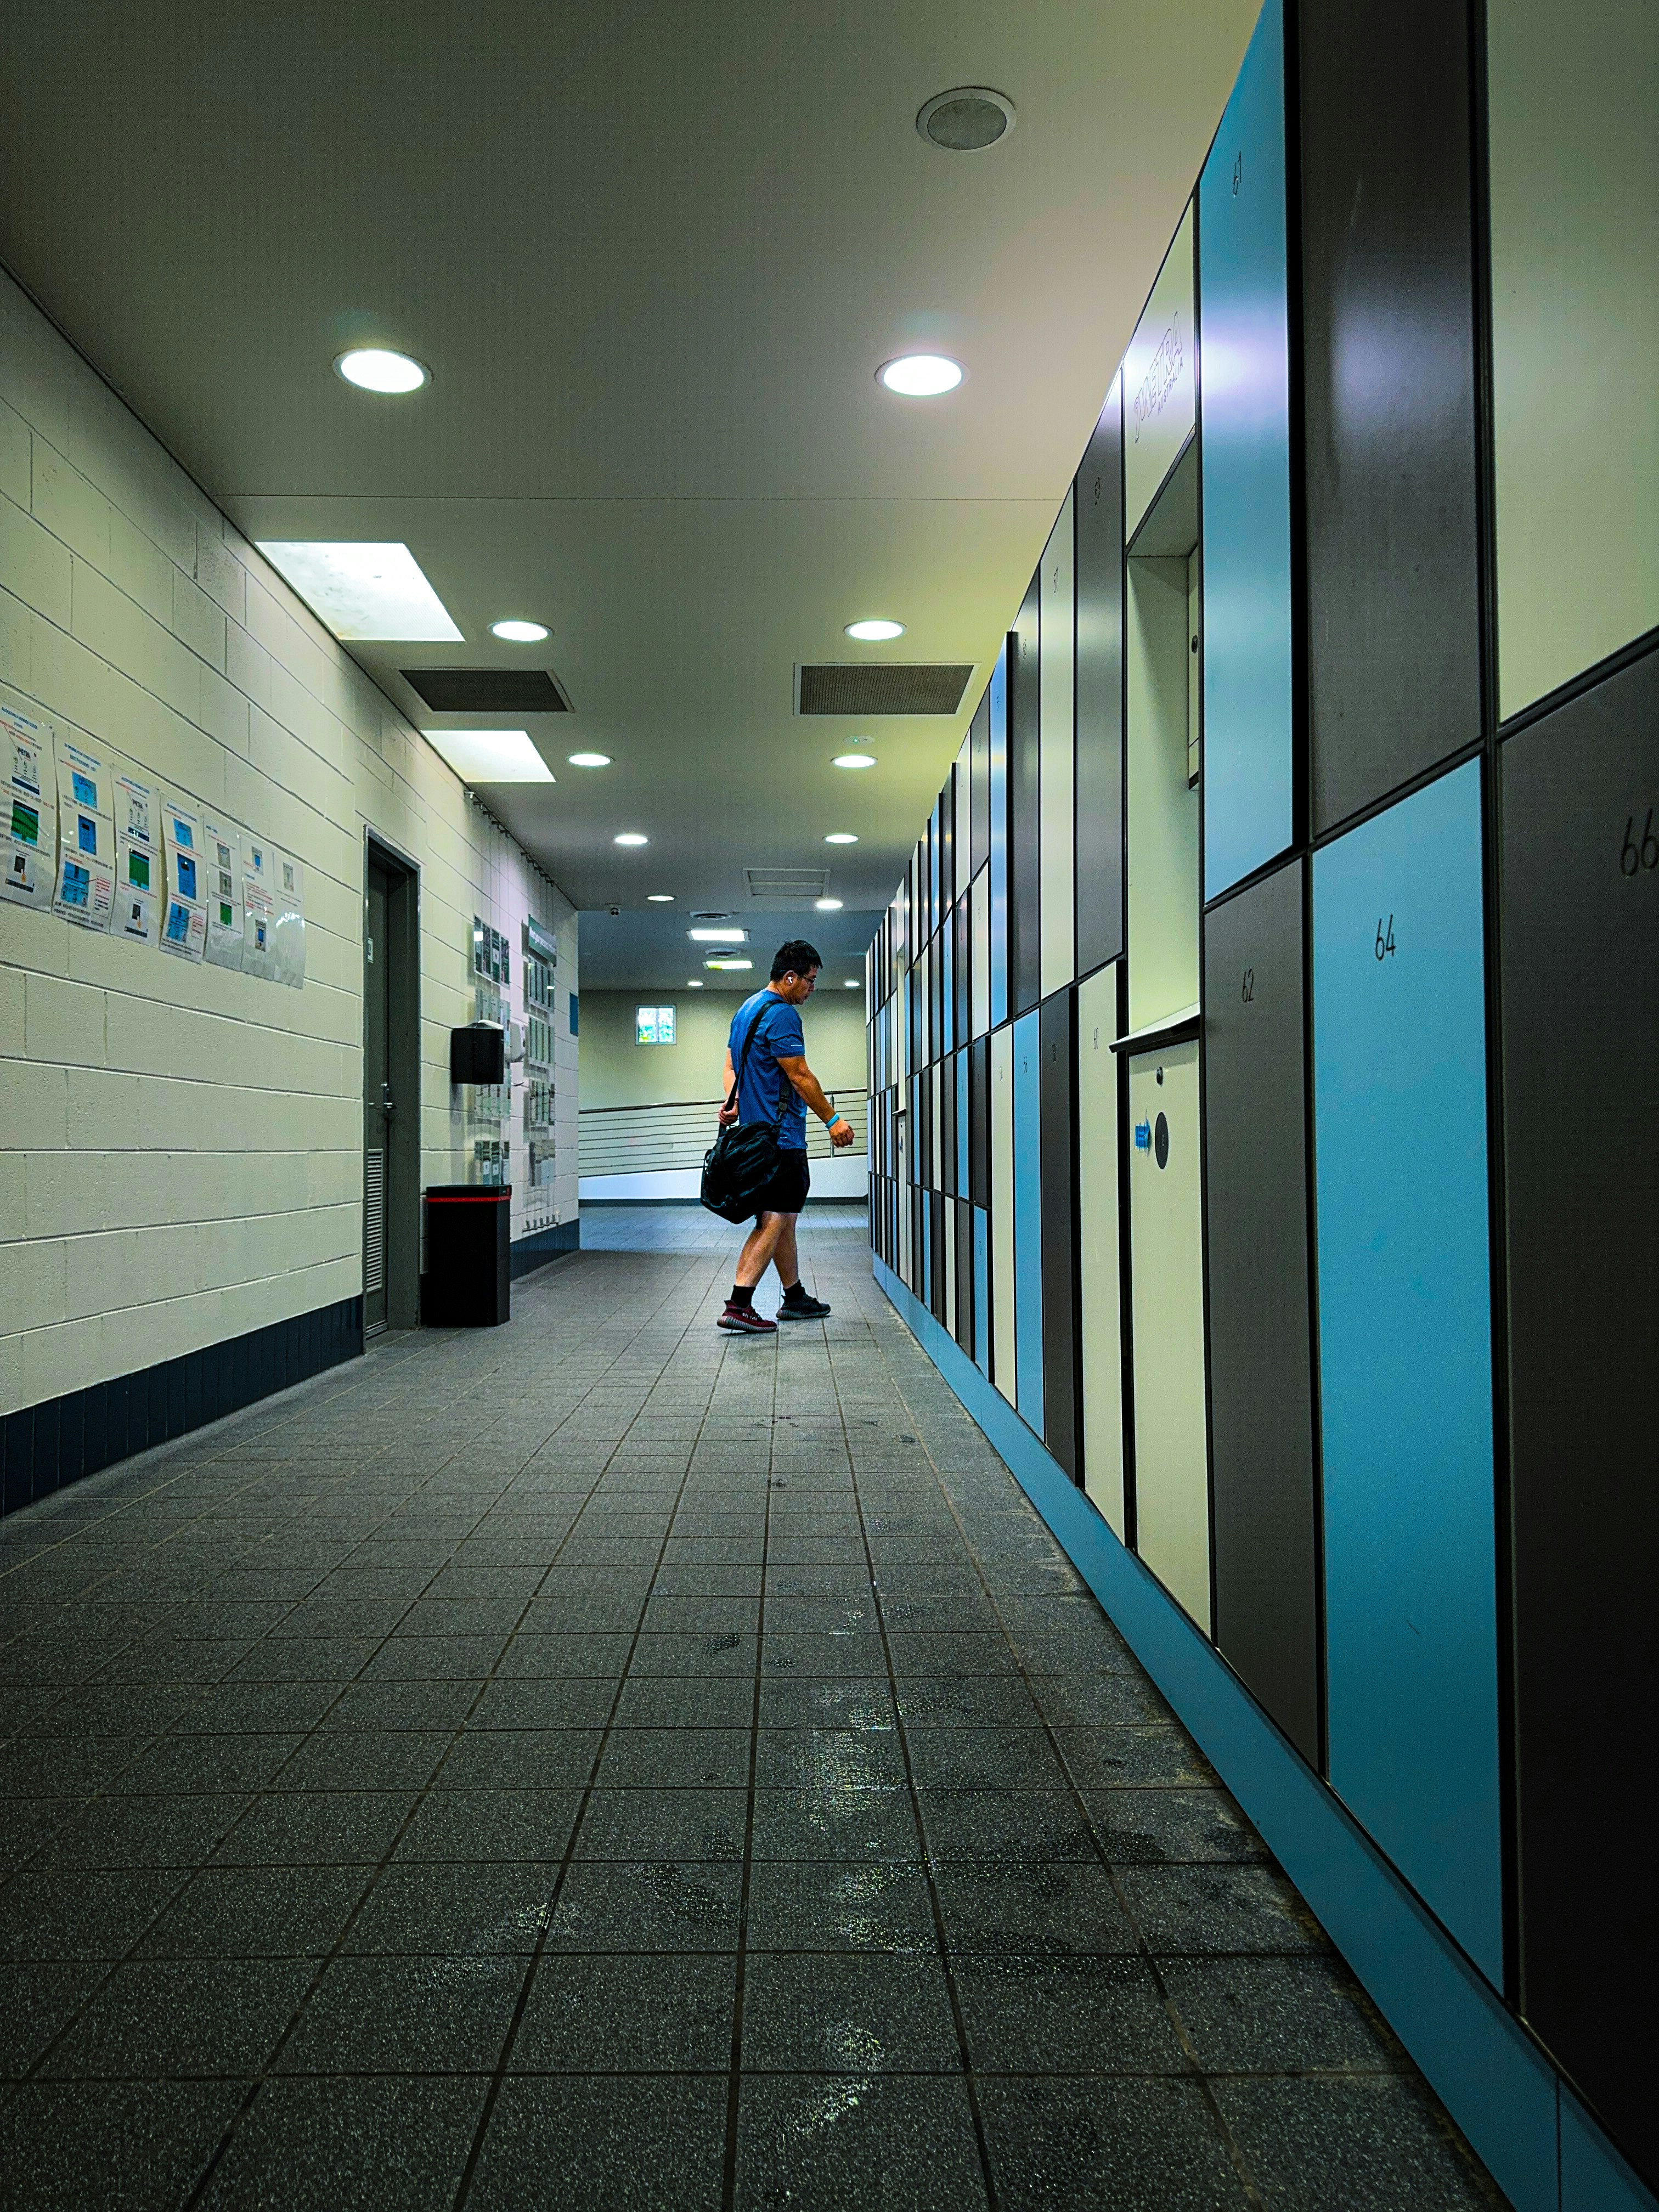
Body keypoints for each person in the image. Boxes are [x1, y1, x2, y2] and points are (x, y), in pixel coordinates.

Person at [716, 939, 855, 1333]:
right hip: (780, 1139)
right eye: (809, 981)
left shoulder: (747, 1009)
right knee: (774, 1218)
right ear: (789, 977)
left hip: (756, 1135)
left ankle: (794, 1297)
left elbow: (730, 1065)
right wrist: (833, 1120)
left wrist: (737, 1098)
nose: (812, 989)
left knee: (785, 1218)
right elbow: (798, 1075)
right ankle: (739, 1303)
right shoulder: (781, 1015)